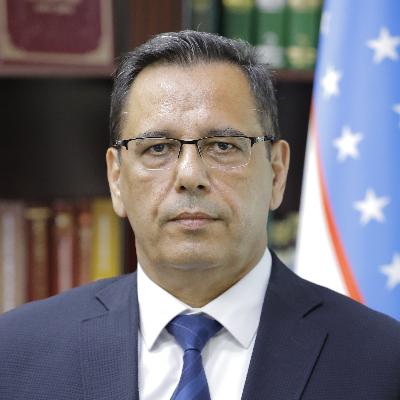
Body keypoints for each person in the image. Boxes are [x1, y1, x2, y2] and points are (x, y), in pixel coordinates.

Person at [1, 31, 400, 400]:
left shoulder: (383, 362)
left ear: (277, 173)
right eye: (157, 148)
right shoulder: (15, 353)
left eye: (223, 146)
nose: (190, 176)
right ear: (116, 179)